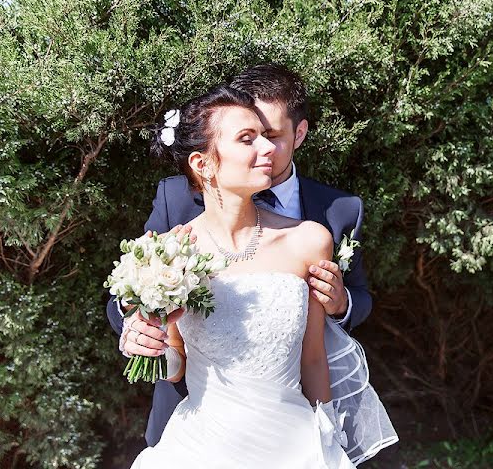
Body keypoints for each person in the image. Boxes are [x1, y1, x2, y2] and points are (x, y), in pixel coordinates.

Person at [127, 84, 397, 467]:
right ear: (203, 164)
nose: (268, 149)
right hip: (202, 447)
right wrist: (148, 341)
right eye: (247, 139)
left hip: (294, 446)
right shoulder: (171, 252)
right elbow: (174, 369)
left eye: (268, 136)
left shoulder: (308, 240)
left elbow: (314, 360)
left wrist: (326, 439)